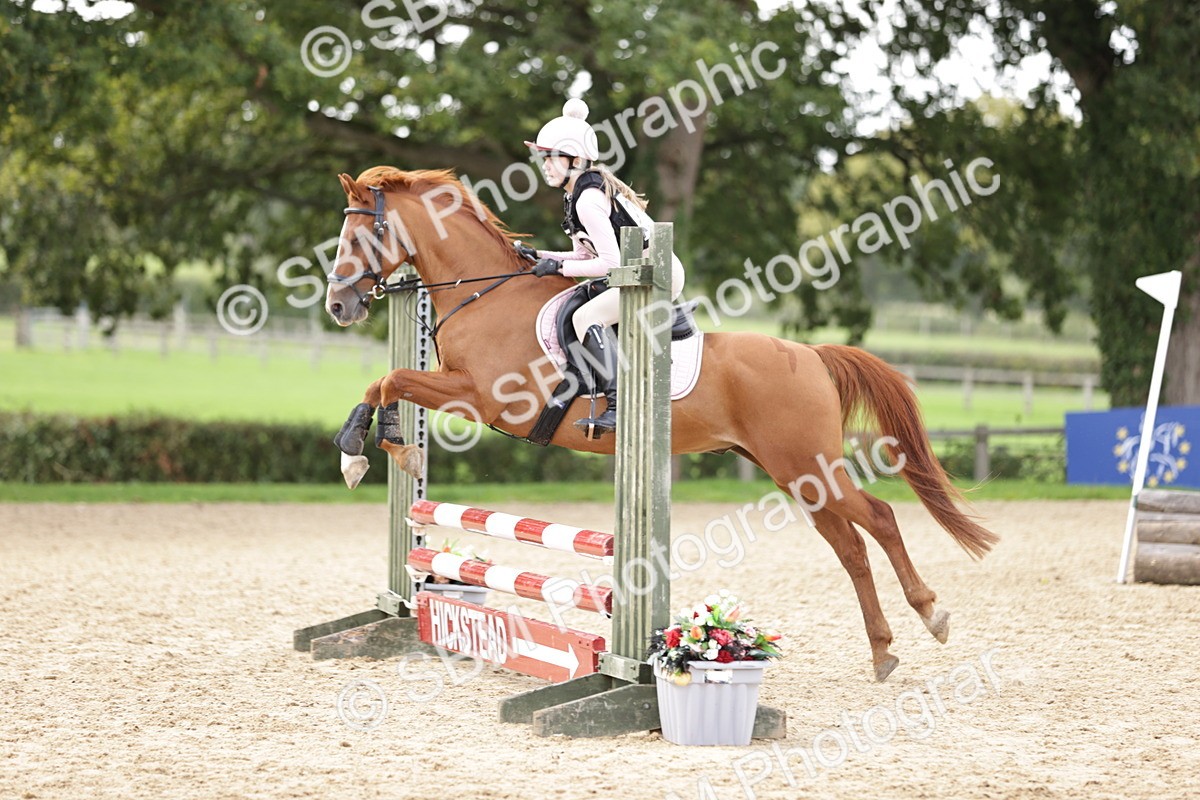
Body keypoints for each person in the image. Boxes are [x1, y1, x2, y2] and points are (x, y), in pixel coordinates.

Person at [519, 98, 686, 437]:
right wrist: (540, 256)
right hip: (636, 271)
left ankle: (618, 403)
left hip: (656, 273)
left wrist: (557, 268)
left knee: (585, 317)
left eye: (551, 157)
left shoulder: (587, 199)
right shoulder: (575, 195)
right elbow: (583, 257)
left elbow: (609, 262)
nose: (545, 165)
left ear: (576, 160)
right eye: (543, 158)